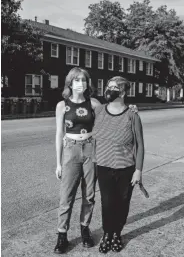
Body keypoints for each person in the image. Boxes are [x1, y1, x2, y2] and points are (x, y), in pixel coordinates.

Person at [92, 76, 144, 254]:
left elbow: (140, 144)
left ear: (122, 91)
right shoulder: (99, 110)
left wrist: (138, 170)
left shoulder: (132, 114)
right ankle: (107, 234)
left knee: (122, 202)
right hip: (104, 166)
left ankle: (117, 234)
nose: (109, 89)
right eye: (108, 86)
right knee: (107, 202)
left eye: (114, 87)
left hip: (126, 168)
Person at [54, 67, 100, 254]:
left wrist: (129, 109)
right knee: (67, 196)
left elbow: (113, 116)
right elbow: (58, 134)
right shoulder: (61, 105)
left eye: (84, 80)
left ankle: (85, 230)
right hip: (70, 150)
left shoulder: (94, 104)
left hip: (90, 149)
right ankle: (62, 235)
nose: (80, 83)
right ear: (70, 83)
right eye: (77, 80)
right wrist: (58, 163)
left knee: (89, 194)